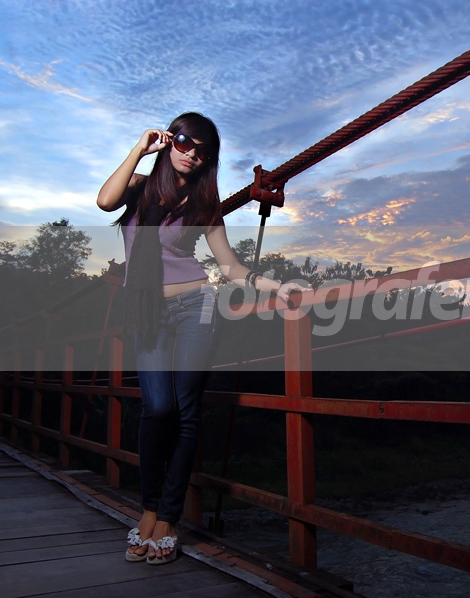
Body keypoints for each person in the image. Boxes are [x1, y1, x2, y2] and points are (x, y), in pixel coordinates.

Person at [97, 112, 304, 565]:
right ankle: (149, 507)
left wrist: (276, 286)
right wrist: (139, 149)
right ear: (170, 140)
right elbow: (104, 202)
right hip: (147, 310)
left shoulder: (205, 206)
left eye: (203, 151)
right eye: (184, 142)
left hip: (196, 306)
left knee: (185, 412)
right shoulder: (139, 187)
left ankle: (165, 519)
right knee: (158, 408)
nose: (192, 154)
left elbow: (230, 268)